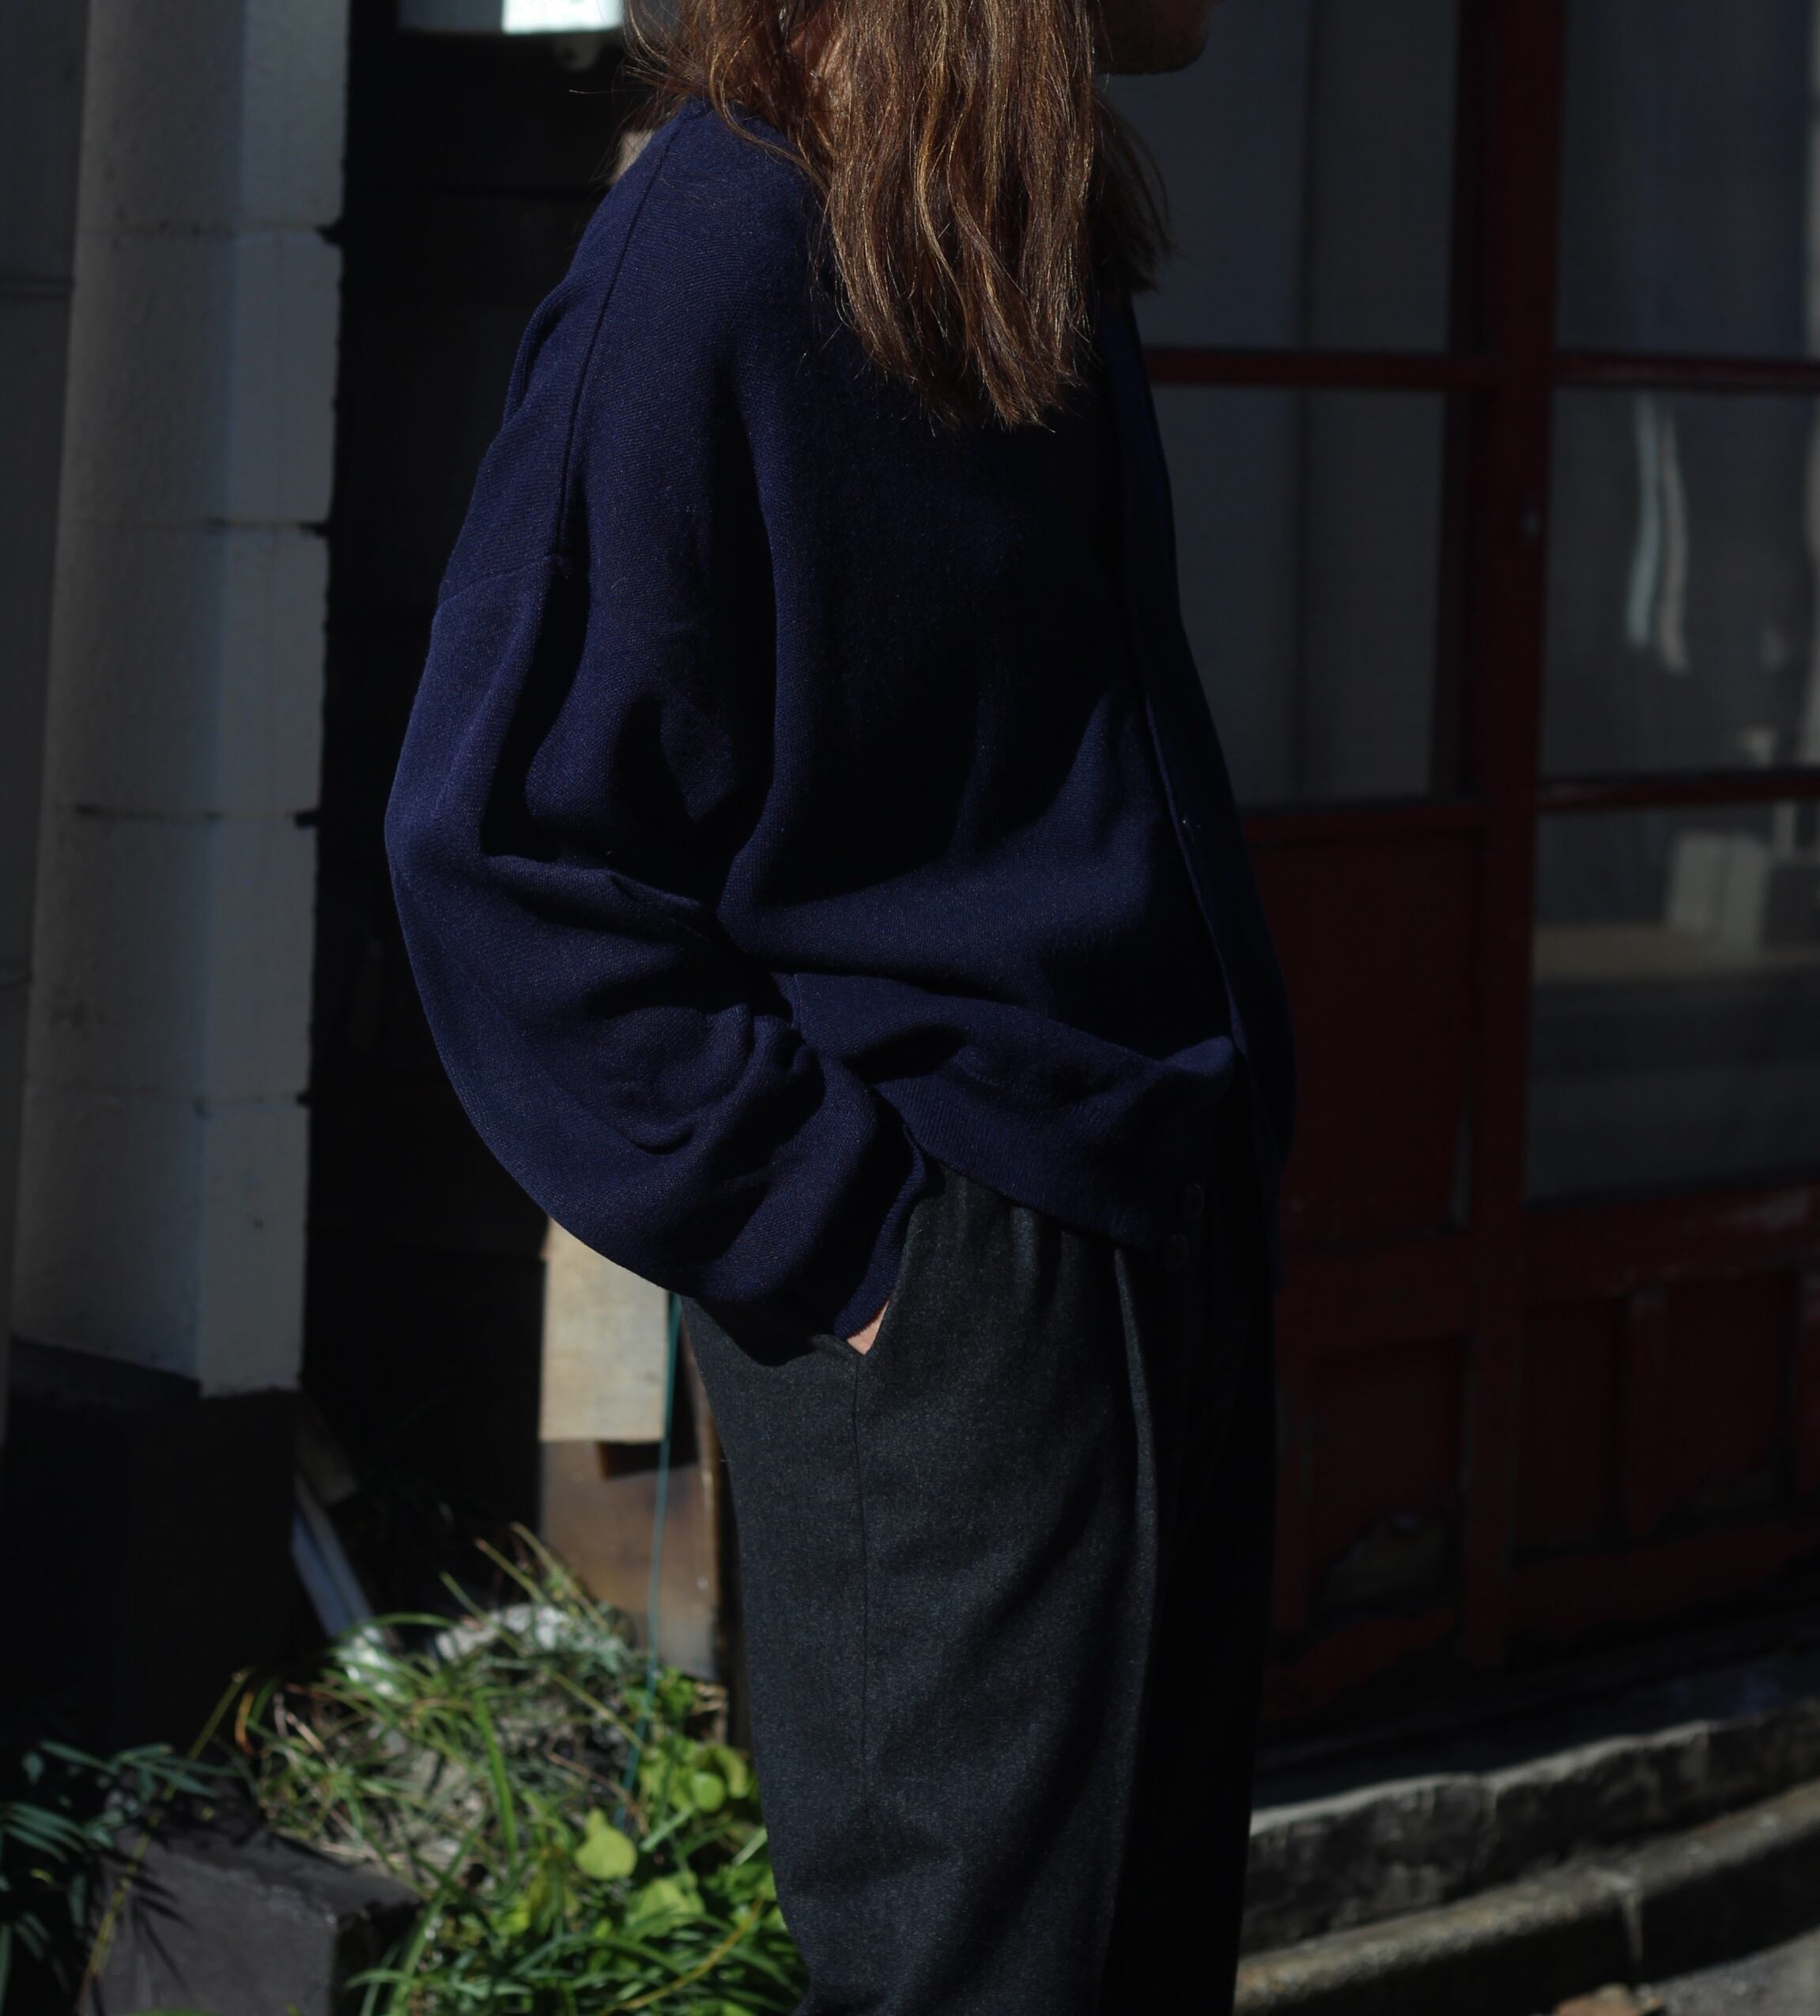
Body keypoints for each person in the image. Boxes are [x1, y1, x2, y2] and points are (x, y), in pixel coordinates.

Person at [385, 0, 1294, 2007]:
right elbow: (496, 847)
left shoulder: (983, 220)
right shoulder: (720, 242)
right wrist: (851, 1242)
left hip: (1143, 1214)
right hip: (957, 1280)